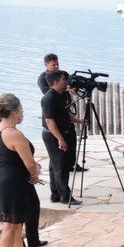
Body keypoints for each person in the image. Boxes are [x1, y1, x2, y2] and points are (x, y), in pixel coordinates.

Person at [0, 94, 41, 247]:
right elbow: (30, 164)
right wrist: (34, 176)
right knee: (10, 226)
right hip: (12, 184)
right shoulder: (13, 134)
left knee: (16, 222)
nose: (23, 113)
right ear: (13, 112)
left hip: (1, 179)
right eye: (21, 110)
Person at [41, 69, 82, 206]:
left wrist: (80, 121)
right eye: (64, 80)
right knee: (60, 166)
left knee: (55, 165)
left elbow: (66, 114)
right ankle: (65, 196)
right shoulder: (49, 98)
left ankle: (55, 194)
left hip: (64, 131)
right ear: (55, 82)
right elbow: (49, 121)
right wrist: (60, 139)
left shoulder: (62, 95)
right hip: (53, 135)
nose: (66, 83)